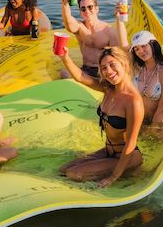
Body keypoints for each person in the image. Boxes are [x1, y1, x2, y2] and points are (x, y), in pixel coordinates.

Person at [58, 46, 144, 188]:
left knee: (73, 174)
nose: (108, 71)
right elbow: (81, 77)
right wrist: (65, 57)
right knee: (63, 170)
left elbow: (130, 143)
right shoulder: (108, 89)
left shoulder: (133, 101)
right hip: (108, 151)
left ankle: (130, 174)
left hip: (127, 157)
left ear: (125, 65)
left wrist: (113, 177)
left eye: (112, 65)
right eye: (104, 68)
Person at [60, 0, 121, 78]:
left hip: (103, 70)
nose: (87, 11)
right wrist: (64, 4)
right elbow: (68, 23)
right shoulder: (80, 27)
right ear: (80, 11)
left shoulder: (109, 30)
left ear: (97, 9)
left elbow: (118, 56)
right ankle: (89, 81)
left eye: (90, 7)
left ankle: (90, 82)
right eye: (83, 8)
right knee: (64, 73)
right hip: (86, 69)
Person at [128, 31, 163, 133]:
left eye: (144, 46)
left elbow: (162, 109)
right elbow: (123, 45)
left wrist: (151, 130)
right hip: (139, 119)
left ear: (153, 44)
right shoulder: (136, 68)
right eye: (136, 49)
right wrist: (120, 19)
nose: (141, 51)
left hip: (160, 118)